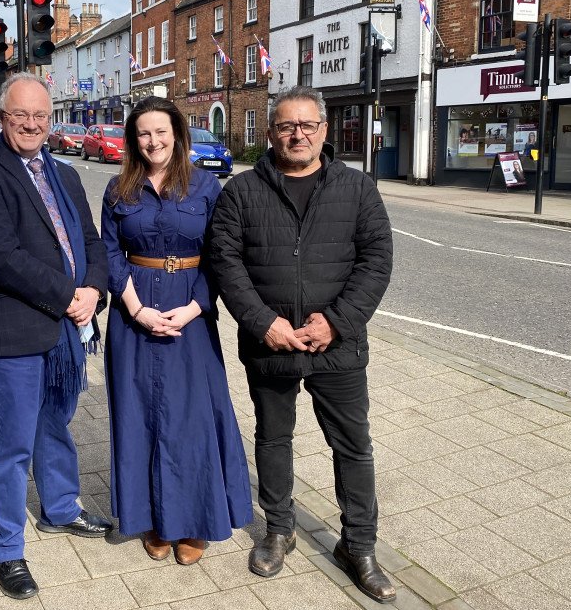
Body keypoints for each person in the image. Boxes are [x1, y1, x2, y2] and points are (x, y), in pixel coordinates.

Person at [209, 85, 395, 604]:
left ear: (324, 130)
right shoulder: (241, 192)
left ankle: (358, 546)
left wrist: (336, 323)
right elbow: (226, 262)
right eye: (287, 126)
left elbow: (377, 259)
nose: (298, 134)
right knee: (272, 439)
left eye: (307, 125)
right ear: (271, 133)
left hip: (337, 345)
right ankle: (279, 529)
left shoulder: (357, 188)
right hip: (271, 343)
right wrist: (262, 322)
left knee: (353, 446)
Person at [0, 73, 111, 600]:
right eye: (20, 116)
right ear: (1, 118)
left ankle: (60, 508)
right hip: (16, 327)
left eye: (40, 116)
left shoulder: (65, 173)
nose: (31, 125)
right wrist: (69, 294)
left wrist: (93, 290)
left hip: (67, 326)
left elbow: (92, 241)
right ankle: (6, 544)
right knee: (10, 443)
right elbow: (1, 257)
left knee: (56, 421)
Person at [101, 97, 252, 566]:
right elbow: (107, 253)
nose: (153, 141)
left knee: (192, 419)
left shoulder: (207, 187)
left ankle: (194, 520)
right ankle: (153, 520)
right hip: (135, 314)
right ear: (134, 139)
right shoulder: (117, 189)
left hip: (191, 312)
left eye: (161, 132)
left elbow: (222, 254)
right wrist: (137, 309)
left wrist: (192, 309)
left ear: (177, 134)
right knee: (139, 417)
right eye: (144, 134)